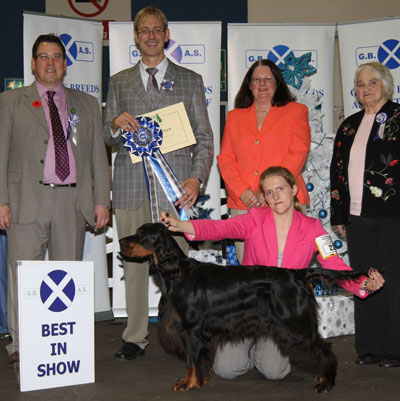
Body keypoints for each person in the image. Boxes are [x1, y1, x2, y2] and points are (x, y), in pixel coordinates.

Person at [162, 166, 384, 381]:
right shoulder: (254, 218)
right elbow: (220, 228)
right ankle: (250, 348)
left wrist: (363, 285)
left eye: (280, 189)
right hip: (245, 306)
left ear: (294, 189)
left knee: (273, 371)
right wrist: (181, 226)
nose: (275, 196)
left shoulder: (313, 228)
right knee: (227, 370)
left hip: (282, 309)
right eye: (269, 192)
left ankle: (266, 348)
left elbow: (335, 265)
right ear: (264, 197)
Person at [103, 6, 214, 361]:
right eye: (143, 30)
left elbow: (205, 137)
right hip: (131, 186)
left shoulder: (190, 79)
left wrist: (196, 178)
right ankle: (134, 337)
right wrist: (116, 126)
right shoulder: (119, 81)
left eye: (156, 30)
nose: (150, 35)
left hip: (174, 187)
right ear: (135, 37)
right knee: (134, 267)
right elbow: (109, 137)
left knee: (181, 267)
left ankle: (186, 330)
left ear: (166, 35)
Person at [0, 34, 110, 367]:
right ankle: (21, 345)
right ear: (33, 63)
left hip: (71, 202)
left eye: (58, 57)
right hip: (25, 201)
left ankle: (68, 341)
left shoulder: (87, 104)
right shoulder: (9, 101)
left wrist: (101, 200)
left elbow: (97, 158)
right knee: (22, 278)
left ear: (65, 64)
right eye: (44, 56)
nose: (51, 62)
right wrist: (1, 200)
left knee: (67, 279)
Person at [330, 62, 400, 368]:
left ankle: (395, 350)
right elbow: (337, 172)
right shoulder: (349, 125)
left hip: (393, 216)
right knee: (364, 281)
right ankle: (370, 347)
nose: (366, 88)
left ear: (386, 84)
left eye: (372, 82)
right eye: (360, 84)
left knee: (395, 282)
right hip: (357, 216)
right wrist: (338, 213)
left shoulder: (399, 117)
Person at [217, 59, 311, 263]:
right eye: (256, 79)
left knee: (286, 271)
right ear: (248, 85)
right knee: (250, 275)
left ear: (277, 83)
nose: (262, 84)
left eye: (268, 79)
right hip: (244, 203)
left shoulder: (296, 112)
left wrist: (267, 191)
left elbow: (298, 153)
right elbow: (225, 159)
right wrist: (244, 192)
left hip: (284, 201)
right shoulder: (234, 117)